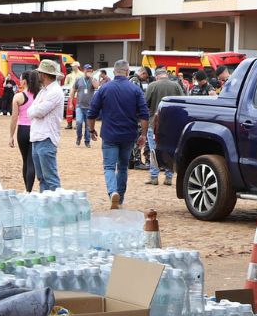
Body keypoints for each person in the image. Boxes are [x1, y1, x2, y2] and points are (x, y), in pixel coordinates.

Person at [86, 60, 149, 209]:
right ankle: (119, 198)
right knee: (122, 167)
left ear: (114, 72)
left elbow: (91, 113)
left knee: (109, 167)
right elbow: (144, 115)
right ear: (127, 72)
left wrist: (91, 130)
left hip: (109, 134)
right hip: (128, 135)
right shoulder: (135, 90)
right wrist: (144, 135)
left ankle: (112, 192)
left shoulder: (104, 89)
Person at [25, 58, 65, 191]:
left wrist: (33, 110)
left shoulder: (54, 91)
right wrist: (34, 110)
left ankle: (57, 208)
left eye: (40, 73)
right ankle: (48, 206)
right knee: (42, 178)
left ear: (44, 75)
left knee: (50, 179)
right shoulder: (45, 91)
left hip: (46, 137)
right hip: (39, 137)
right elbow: (32, 110)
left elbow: (37, 111)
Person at [142, 67, 183, 186]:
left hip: (154, 123)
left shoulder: (152, 86)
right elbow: (183, 101)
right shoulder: (176, 86)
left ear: (156, 76)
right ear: (166, 75)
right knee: (169, 150)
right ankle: (169, 177)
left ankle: (154, 177)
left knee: (154, 150)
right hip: (172, 124)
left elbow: (145, 103)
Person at [7, 69, 37, 191]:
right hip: (35, 129)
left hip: (23, 130)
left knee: (25, 161)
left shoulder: (18, 96)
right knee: (32, 161)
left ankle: (27, 190)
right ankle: (29, 188)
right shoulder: (39, 95)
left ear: (24, 81)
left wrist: (11, 135)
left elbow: (14, 117)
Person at [71, 66, 97, 147]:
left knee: (88, 125)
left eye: (90, 70)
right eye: (87, 70)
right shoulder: (78, 80)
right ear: (83, 70)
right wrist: (71, 102)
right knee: (78, 122)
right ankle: (79, 137)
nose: (88, 71)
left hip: (89, 107)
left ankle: (87, 141)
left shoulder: (93, 79)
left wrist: (92, 78)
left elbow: (96, 87)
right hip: (79, 106)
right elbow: (73, 90)